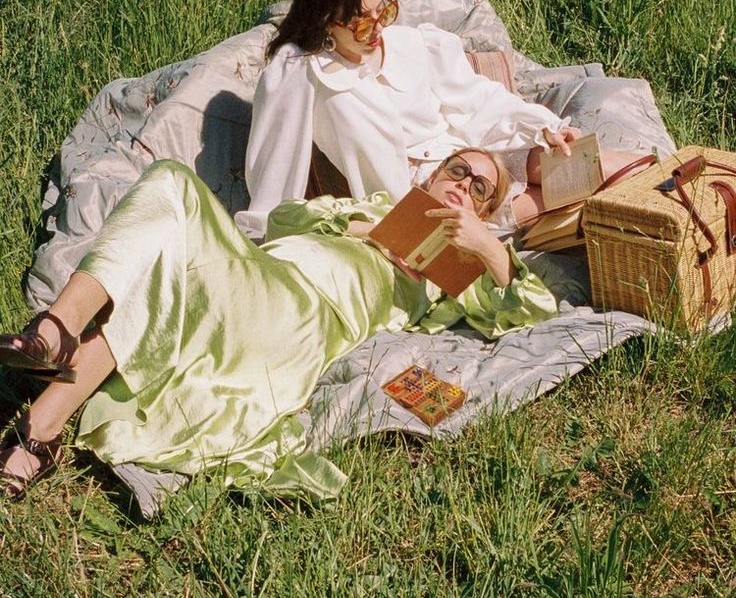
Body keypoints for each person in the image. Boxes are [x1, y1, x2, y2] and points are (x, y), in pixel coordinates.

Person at [0, 150, 558, 500]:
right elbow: (284, 219)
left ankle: (39, 426)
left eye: (481, 189)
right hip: (256, 269)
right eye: (458, 170)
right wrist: (366, 225)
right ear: (435, 174)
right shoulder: (379, 206)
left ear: (484, 212)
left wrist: (487, 245)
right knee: (170, 180)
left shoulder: (459, 272)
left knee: (154, 280)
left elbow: (534, 313)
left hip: (300, 317)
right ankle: (52, 336)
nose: (464, 184)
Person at [244, 0, 587, 240]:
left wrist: (544, 126)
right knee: (581, 201)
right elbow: (275, 163)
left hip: (478, 148)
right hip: (432, 191)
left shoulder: (412, 43)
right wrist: (266, 231)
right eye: (361, 23)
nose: (377, 29)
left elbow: (475, 97)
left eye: (384, 12)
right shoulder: (300, 74)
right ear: (326, 23)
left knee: (585, 164)